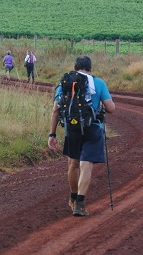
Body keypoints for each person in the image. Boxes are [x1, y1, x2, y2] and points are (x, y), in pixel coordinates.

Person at [48, 55, 116, 217]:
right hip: (93, 128)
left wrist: (52, 134)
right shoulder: (98, 83)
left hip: (72, 128)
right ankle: (80, 203)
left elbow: (56, 110)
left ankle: (72, 198)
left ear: (75, 67)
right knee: (87, 165)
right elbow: (111, 108)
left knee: (73, 164)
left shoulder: (66, 83)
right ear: (90, 69)